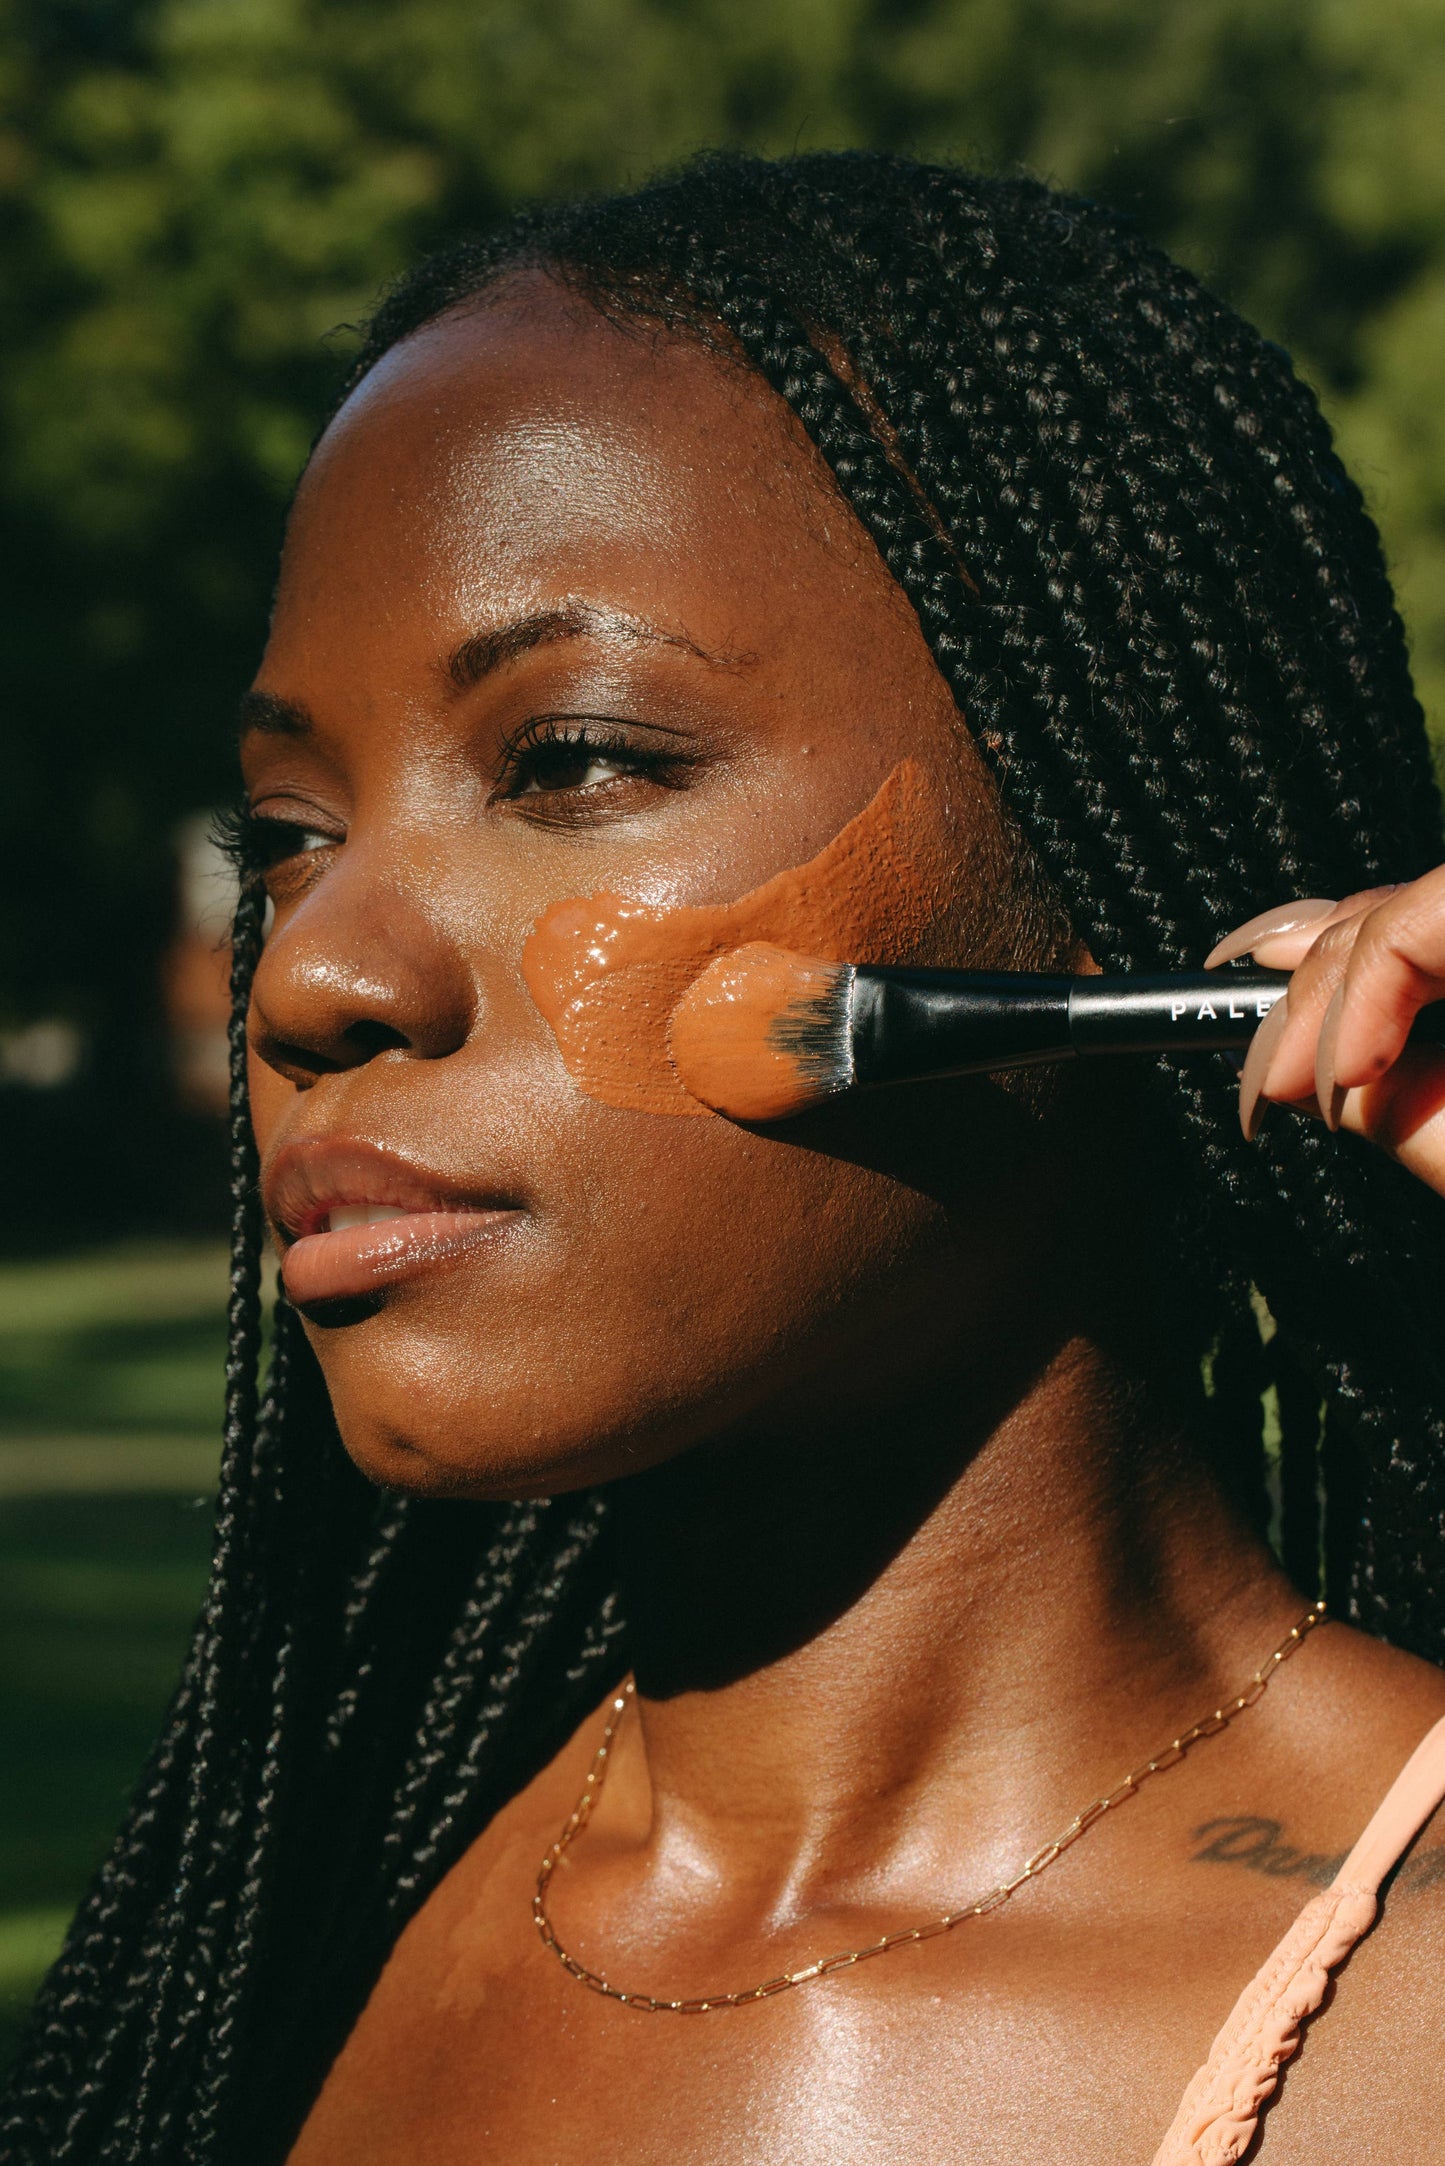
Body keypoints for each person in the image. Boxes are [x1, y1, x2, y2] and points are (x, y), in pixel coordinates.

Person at [5, 151, 1445, 2166]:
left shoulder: (1402, 2024)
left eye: (575, 758)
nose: (312, 970)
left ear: (1110, 852)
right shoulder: (294, 1900)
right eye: (288, 834)